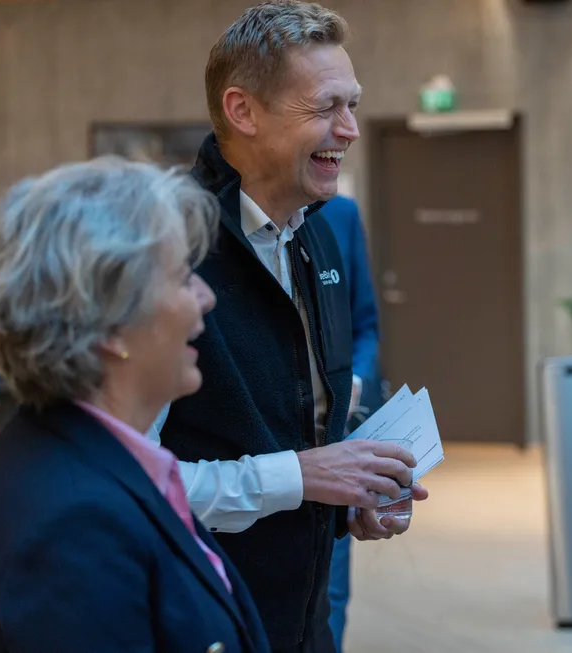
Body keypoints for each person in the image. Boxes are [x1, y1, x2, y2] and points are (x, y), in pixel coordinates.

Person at [152, 4, 428, 653]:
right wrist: (302, 477)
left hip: (306, 618)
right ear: (243, 112)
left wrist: (346, 494)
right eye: (326, 107)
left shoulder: (319, 233)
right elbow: (137, 481)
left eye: (353, 104)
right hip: (205, 617)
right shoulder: (167, 250)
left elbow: (300, 430)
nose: (351, 129)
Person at [0, 158, 271, 653]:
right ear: (108, 324)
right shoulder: (73, 527)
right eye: (182, 277)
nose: (205, 297)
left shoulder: (72, 446)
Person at [322, 193, 383, 652]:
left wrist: (357, 376)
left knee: (332, 586)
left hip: (335, 431)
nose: (345, 130)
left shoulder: (341, 214)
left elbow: (365, 322)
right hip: (266, 437)